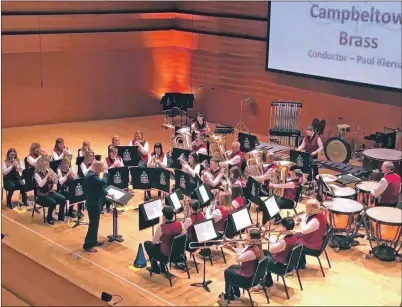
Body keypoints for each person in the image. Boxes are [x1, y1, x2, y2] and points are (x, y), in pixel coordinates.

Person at [220, 229, 262, 301]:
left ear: (252, 239)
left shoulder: (251, 251)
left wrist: (237, 244)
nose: (246, 237)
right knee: (231, 267)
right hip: (251, 272)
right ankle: (235, 292)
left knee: (227, 272)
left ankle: (229, 294)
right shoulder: (256, 247)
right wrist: (230, 248)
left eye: (248, 236)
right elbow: (242, 251)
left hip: (248, 278)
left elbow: (238, 259)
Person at [144, 206, 185, 274]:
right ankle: (162, 267)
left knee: (148, 244)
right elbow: (183, 236)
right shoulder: (180, 224)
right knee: (163, 245)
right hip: (178, 254)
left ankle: (155, 268)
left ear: (164, 217)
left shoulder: (161, 228)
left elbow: (153, 242)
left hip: (166, 256)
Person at [261, 217, 297, 289]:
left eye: (280, 225)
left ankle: (267, 281)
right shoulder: (293, 236)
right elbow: (277, 245)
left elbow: (271, 249)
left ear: (284, 228)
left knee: (263, 257)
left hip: (280, 266)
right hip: (287, 262)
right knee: (265, 252)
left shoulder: (283, 242)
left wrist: (277, 236)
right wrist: (267, 238)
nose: (279, 226)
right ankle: (268, 279)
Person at [83, 161, 107, 253]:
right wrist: (106, 173)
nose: (102, 170)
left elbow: (100, 187)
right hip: (92, 204)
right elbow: (103, 182)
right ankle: (87, 245)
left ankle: (93, 241)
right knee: (93, 224)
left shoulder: (91, 174)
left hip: (94, 202)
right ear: (97, 167)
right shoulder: (92, 176)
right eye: (101, 168)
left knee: (95, 224)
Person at [34, 156, 67, 225]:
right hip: (41, 195)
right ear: (41, 165)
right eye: (46, 164)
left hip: (49, 192)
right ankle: (49, 218)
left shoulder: (48, 171)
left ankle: (60, 216)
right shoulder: (37, 174)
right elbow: (40, 185)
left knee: (63, 199)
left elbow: (55, 183)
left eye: (48, 164)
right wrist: (47, 176)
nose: (47, 166)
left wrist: (55, 179)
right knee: (53, 202)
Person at [297, 199, 326, 269]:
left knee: (292, 243)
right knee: (295, 235)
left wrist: (303, 219)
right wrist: (304, 218)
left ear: (311, 209)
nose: (306, 209)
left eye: (307, 207)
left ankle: (297, 266)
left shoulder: (315, 221)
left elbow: (303, 230)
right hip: (315, 240)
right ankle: (301, 262)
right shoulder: (319, 213)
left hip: (313, 246)